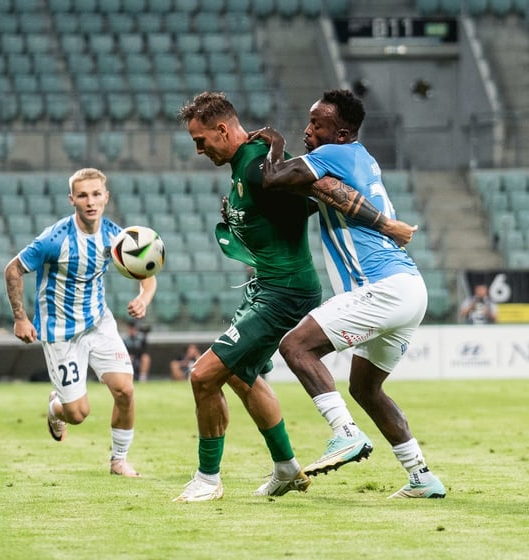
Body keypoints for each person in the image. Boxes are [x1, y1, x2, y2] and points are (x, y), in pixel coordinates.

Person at [172, 92, 415, 503]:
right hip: (270, 287)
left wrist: (385, 224)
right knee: (239, 374)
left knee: (203, 376)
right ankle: (286, 469)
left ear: (222, 129)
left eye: (201, 140)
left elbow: (320, 190)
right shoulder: (245, 167)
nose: (198, 150)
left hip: (283, 292)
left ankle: (207, 479)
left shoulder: (256, 166)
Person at [250, 88, 446, 499]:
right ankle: (421, 477)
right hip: (409, 288)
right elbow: (313, 196)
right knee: (365, 388)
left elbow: (272, 177)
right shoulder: (360, 158)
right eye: (307, 122)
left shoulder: (334, 155)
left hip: (383, 287)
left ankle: (345, 433)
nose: (307, 130)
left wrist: (276, 143)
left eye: (316, 124)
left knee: (297, 347)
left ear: (340, 133)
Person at [3, 167, 157, 477]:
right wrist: (20, 318)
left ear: (106, 197)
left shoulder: (116, 236)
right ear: (72, 199)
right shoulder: (54, 239)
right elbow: (13, 270)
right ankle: (56, 407)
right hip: (60, 333)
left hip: (98, 324)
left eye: (96, 194)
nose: (90, 201)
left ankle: (118, 460)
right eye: (83, 195)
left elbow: (148, 274)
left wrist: (143, 298)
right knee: (78, 413)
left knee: (125, 390)